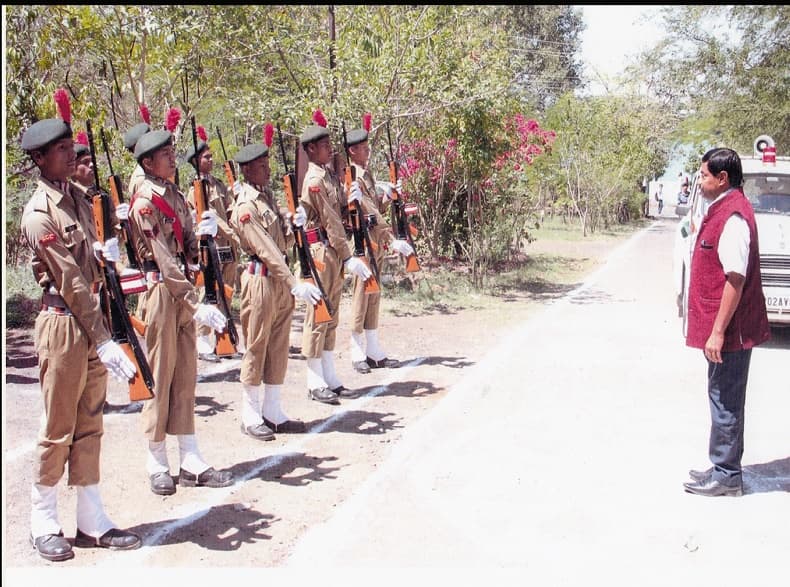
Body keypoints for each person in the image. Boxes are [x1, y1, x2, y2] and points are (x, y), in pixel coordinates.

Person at [20, 117, 142, 561]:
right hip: (65, 325)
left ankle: (91, 518)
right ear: (39, 158)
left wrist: (105, 254)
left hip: (91, 318)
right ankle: (43, 520)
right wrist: (105, 338)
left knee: (91, 418)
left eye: (73, 148)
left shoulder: (77, 197)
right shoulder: (39, 213)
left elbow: (86, 264)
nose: (72, 156)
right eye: (62, 150)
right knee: (58, 426)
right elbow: (68, 281)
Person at [127, 129, 234, 495]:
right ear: (147, 163)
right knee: (159, 374)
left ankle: (190, 457)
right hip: (161, 292)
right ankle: (156, 461)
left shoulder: (174, 193)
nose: (174, 157)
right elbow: (162, 257)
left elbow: (185, 248)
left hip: (183, 292)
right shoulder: (145, 201)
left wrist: (201, 238)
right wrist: (195, 301)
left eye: (173, 151)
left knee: (186, 373)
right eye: (166, 154)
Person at [683, 147, 770, 497]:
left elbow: (735, 280)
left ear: (722, 179)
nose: (699, 182)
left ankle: (727, 474)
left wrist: (717, 332)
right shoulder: (722, 209)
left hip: (731, 332)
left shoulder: (733, 218)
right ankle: (722, 465)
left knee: (725, 398)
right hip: (726, 330)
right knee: (722, 395)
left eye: (704, 176)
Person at [229, 142, 322, 436]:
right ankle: (250, 414)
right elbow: (266, 250)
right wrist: (294, 284)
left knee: (278, 345)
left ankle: (272, 410)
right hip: (260, 280)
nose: (268, 169)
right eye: (261, 165)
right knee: (257, 345)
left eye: (268, 164)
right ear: (246, 170)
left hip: (278, 282)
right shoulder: (246, 205)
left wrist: (294, 226)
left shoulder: (267, 197)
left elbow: (281, 244)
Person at [298, 123, 372, 404]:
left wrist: (351, 200)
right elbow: (330, 221)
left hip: (331, 251)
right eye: (325, 145)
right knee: (318, 316)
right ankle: (314, 379)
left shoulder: (328, 175)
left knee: (331, 315)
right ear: (311, 149)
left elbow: (340, 211)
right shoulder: (314, 180)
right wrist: (348, 255)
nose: (331, 149)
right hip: (321, 252)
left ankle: (329, 375)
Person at [343, 126, 414, 374]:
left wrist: (390, 196)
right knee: (361, 295)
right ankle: (355, 351)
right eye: (363, 148)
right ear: (352, 151)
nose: (368, 150)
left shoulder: (367, 174)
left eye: (367, 146)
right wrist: (391, 236)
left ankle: (373, 350)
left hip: (376, 240)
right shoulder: (351, 176)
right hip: (363, 242)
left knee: (374, 295)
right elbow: (366, 210)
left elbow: (377, 208)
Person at [185, 136, 243, 362]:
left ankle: (223, 337)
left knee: (226, 293)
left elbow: (230, 209)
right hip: (209, 249)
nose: (211, 159)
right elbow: (210, 219)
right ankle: (202, 339)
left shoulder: (218, 184)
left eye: (210, 156)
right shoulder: (195, 190)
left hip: (227, 249)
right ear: (196, 161)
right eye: (206, 157)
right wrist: (233, 234)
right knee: (207, 293)